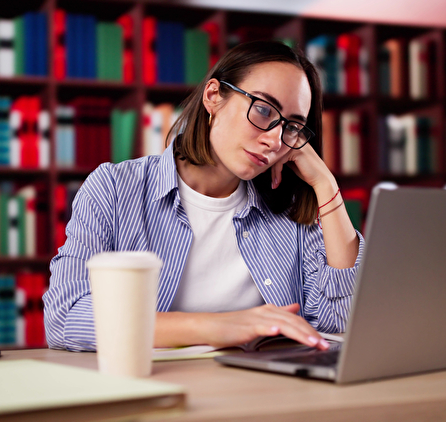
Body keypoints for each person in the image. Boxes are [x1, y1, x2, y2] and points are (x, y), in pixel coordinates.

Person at [44, 41, 363, 352]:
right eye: (264, 110)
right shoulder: (114, 188)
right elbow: (65, 318)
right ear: (214, 97)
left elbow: (338, 320)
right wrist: (214, 327)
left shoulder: (288, 206)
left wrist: (325, 183)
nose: (275, 140)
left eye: (292, 126)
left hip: (264, 391)